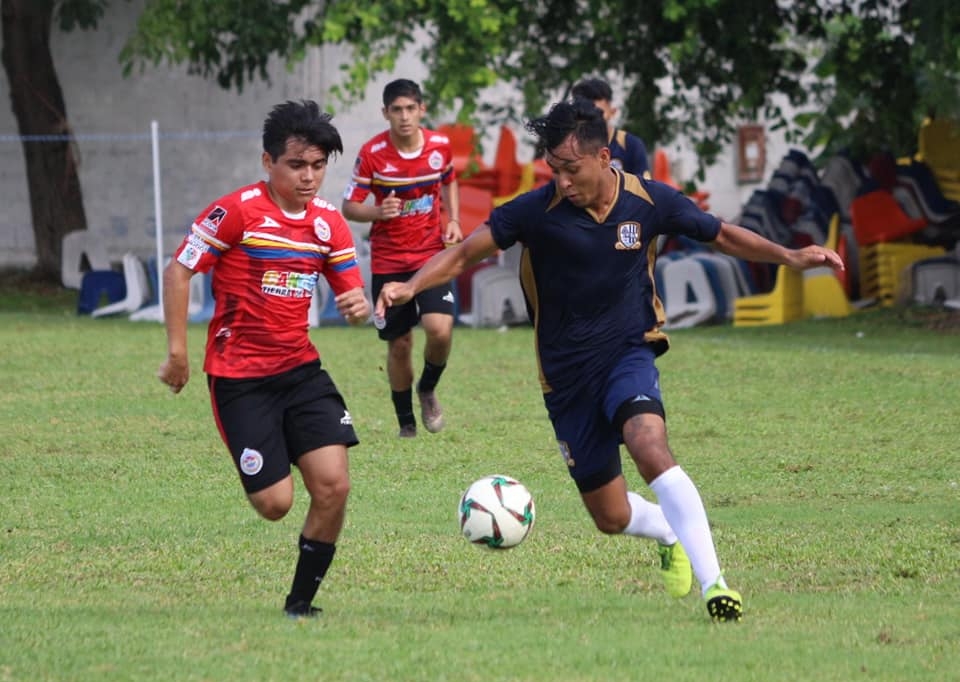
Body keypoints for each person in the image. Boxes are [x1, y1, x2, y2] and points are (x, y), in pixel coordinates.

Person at [376, 99, 844, 622]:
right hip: (566, 378)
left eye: (571, 169)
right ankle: (666, 530)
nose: (562, 181)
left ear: (603, 157)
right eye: (553, 169)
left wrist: (789, 256)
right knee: (611, 516)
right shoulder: (536, 212)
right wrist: (411, 285)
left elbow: (722, 233)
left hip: (629, 351)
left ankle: (716, 584)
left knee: (649, 442)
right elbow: (464, 255)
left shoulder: (648, 201)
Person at [157, 100, 371, 618]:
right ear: (267, 161)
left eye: (318, 166)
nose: (309, 177)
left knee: (334, 485)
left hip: (300, 371)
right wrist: (179, 352)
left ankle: (300, 603)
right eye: (297, 165)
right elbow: (178, 271)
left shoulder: (328, 224)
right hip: (240, 378)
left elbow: (353, 301)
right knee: (275, 506)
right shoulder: (237, 212)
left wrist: (358, 306)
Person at [342, 78, 462, 439]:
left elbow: (449, 180)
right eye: (397, 110)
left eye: (411, 108)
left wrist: (453, 219)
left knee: (439, 330)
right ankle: (406, 423)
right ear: (386, 113)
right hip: (389, 261)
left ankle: (427, 388)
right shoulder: (372, 153)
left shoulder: (440, 145)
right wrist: (378, 212)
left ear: (422, 110)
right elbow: (349, 206)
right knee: (400, 343)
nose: (405, 117)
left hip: (430, 256)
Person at [571, 77, 650, 177]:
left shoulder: (631, 145)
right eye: (584, 115)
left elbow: (643, 189)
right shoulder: (569, 146)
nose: (591, 120)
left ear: (612, 111)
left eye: (598, 113)